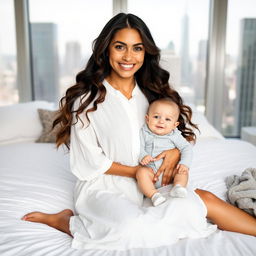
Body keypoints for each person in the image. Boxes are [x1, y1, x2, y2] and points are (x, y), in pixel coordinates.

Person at [21, 13, 256, 250]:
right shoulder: (86, 101)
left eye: (137, 48)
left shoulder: (153, 94)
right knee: (130, 227)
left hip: (150, 185)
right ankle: (66, 221)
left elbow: (175, 131)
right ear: (106, 50)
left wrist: (174, 152)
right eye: (120, 47)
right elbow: (88, 161)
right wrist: (137, 171)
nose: (128, 57)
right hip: (104, 186)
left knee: (203, 201)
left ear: (146, 53)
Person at [137, 98, 193, 207]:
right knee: (141, 173)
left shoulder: (174, 135)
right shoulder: (144, 132)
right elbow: (139, 147)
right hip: (151, 172)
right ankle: (154, 195)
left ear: (175, 125)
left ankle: (178, 187)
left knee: (183, 172)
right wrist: (143, 156)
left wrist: (185, 163)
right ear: (147, 119)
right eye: (156, 117)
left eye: (167, 119)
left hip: (171, 174)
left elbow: (186, 148)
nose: (161, 121)